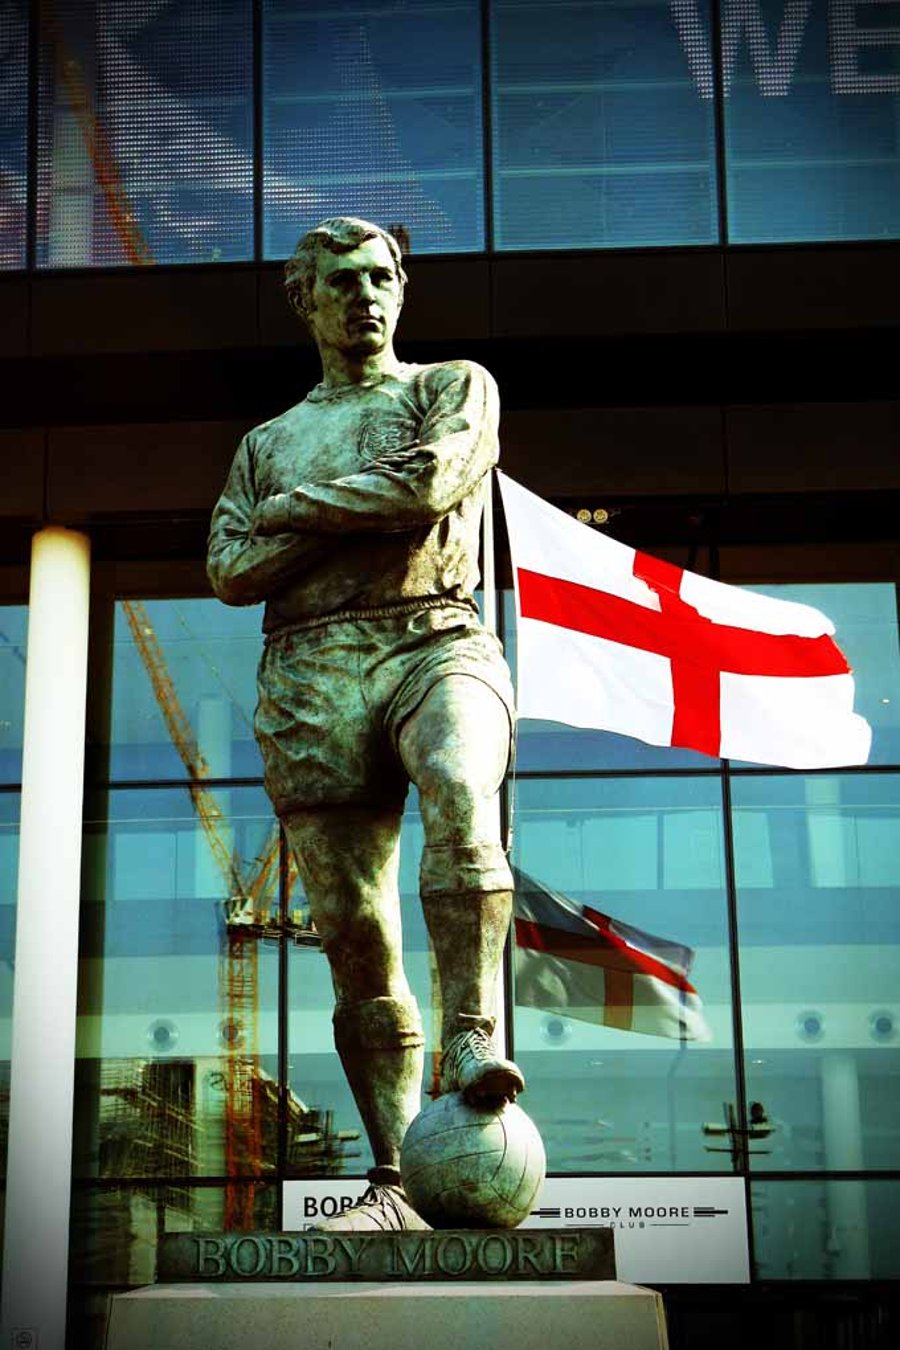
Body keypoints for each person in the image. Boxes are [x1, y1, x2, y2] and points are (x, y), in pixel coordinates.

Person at [207, 217, 524, 1231]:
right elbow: (228, 570)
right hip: (308, 668)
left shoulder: (451, 387)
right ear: (306, 299)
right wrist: (351, 510)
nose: (367, 295)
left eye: (382, 276)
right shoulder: (265, 444)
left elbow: (434, 480)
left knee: (464, 788)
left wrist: (294, 515)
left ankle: (471, 1032)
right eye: (342, 281)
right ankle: (393, 1178)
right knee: (353, 938)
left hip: (435, 636)